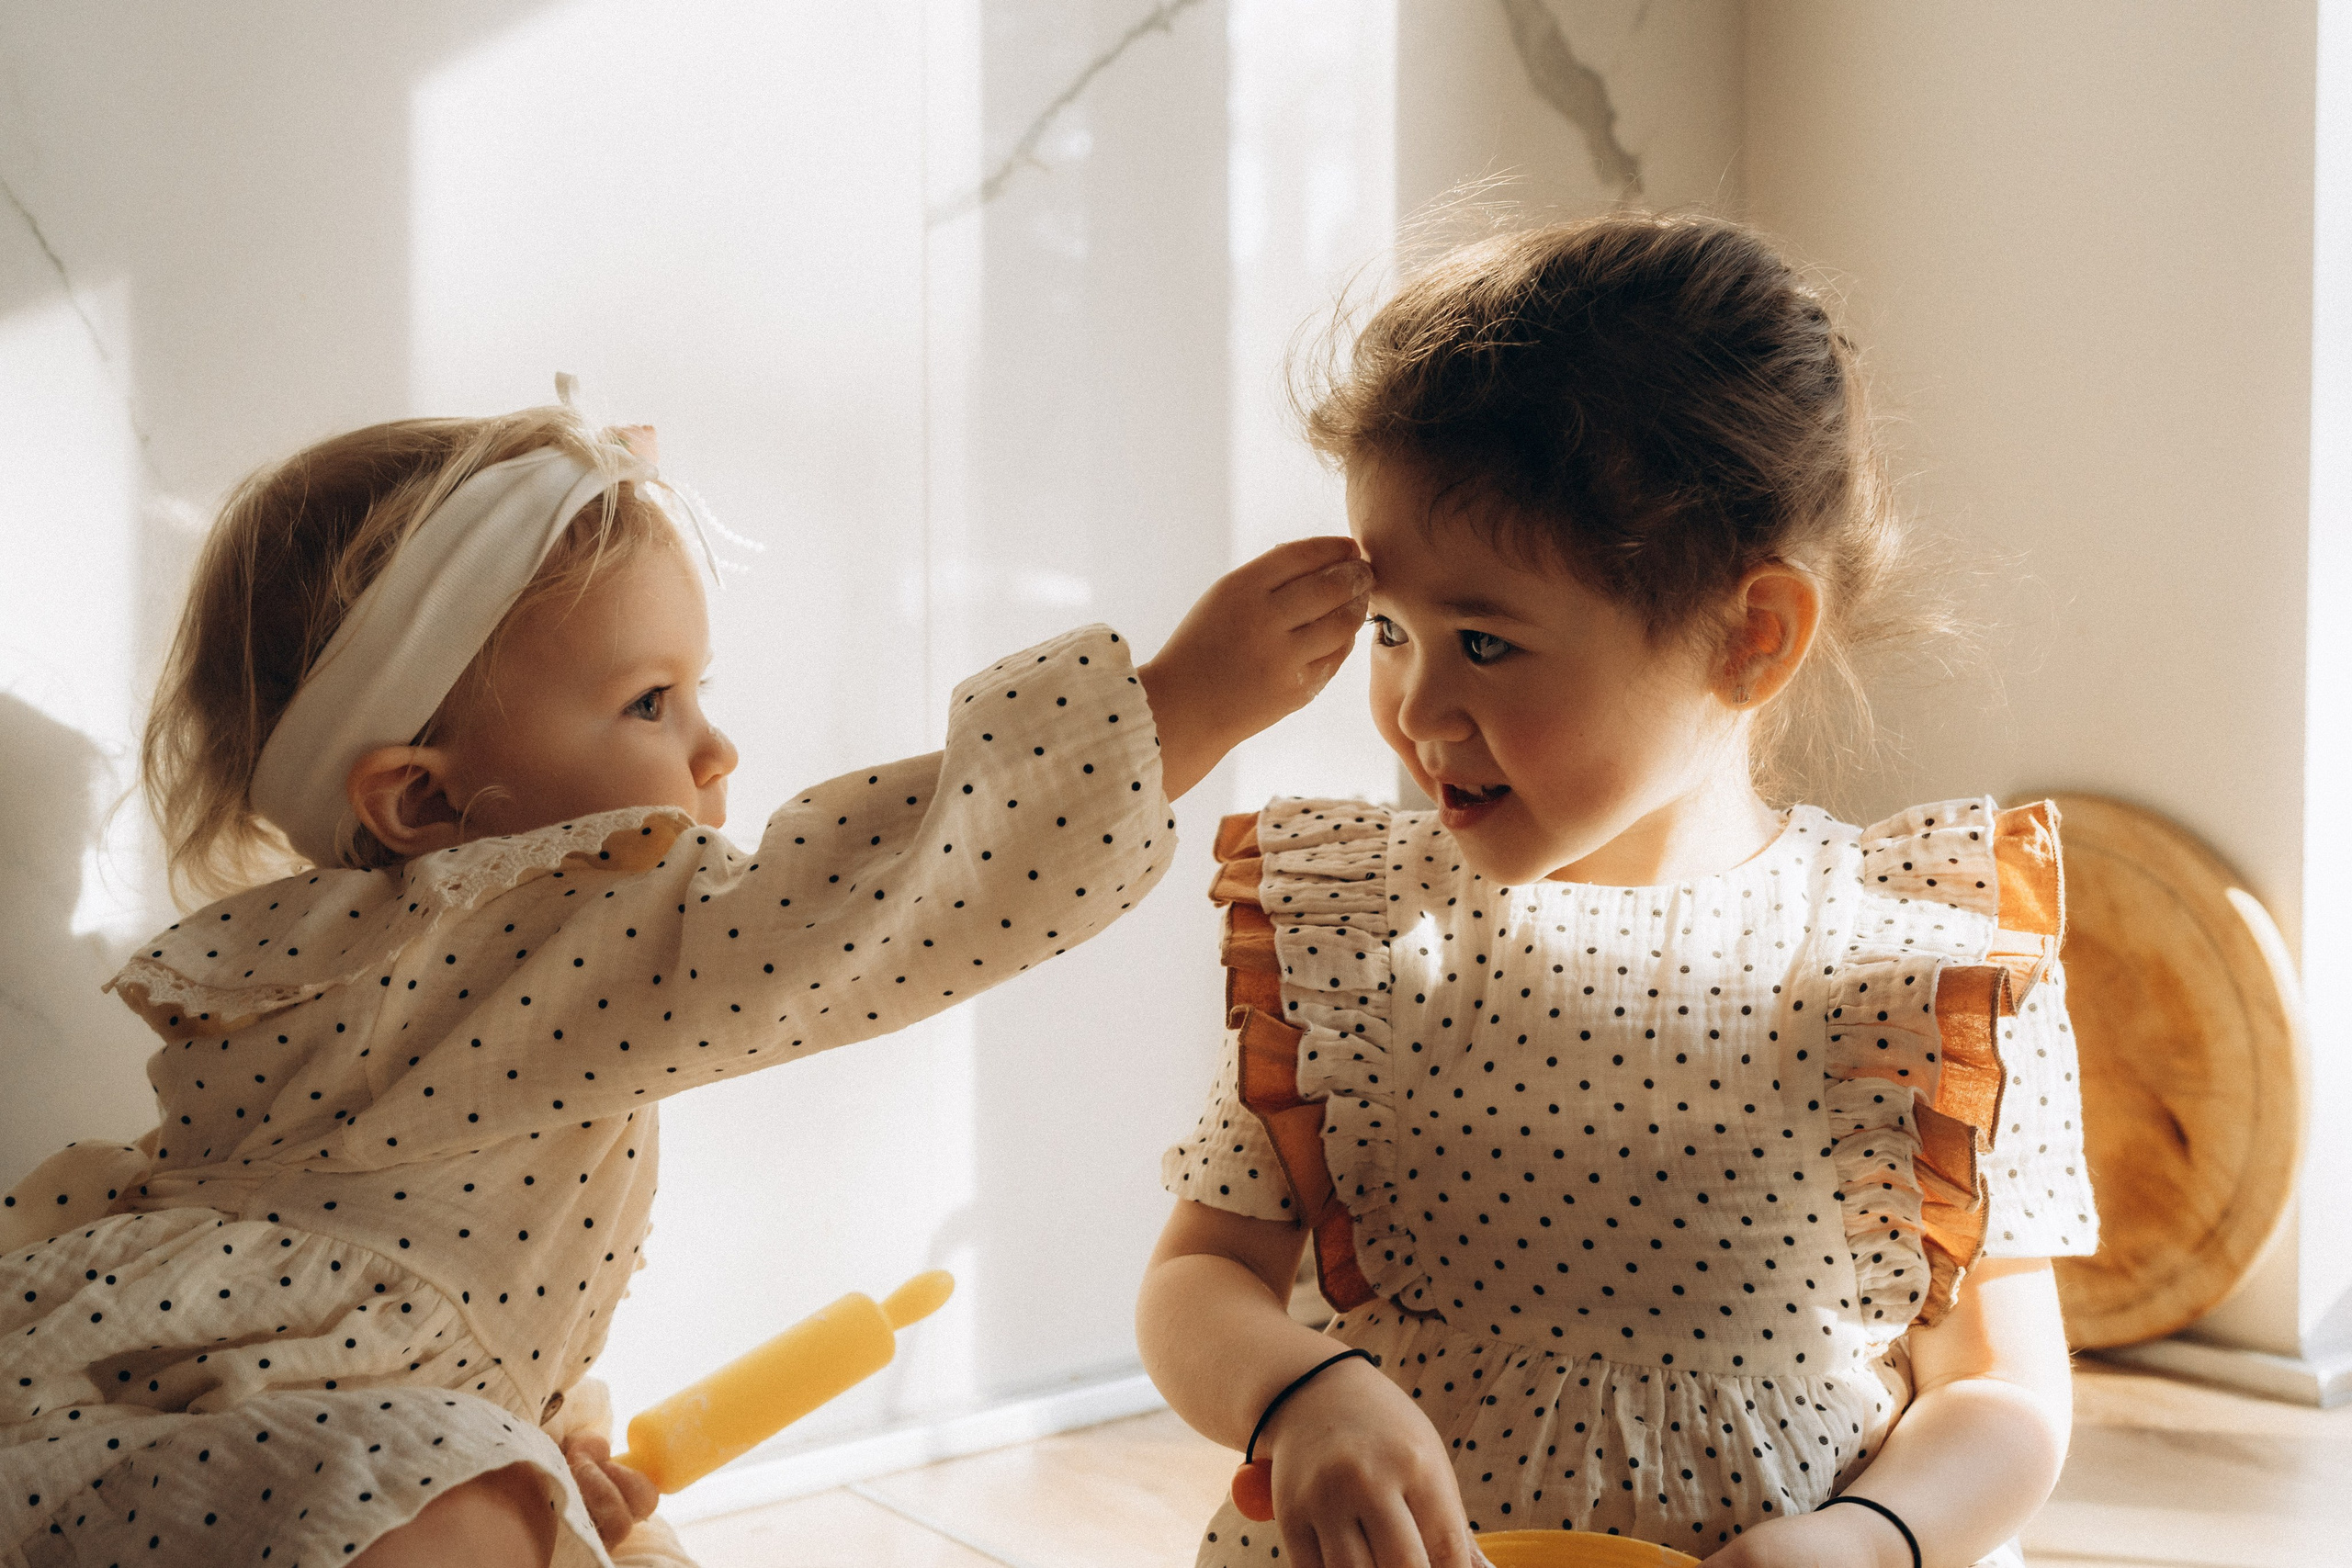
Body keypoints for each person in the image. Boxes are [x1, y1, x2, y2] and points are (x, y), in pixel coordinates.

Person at [0, 393, 1373, 1568]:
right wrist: (1177, 708)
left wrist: (549, 1427)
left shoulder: (344, 961)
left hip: (179, 1434)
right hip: (236, 1450)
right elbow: (848, 909)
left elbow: (411, 1293)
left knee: (539, 1504)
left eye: (693, 691)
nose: (714, 752)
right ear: (428, 804)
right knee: (465, 1503)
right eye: (650, 704)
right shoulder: (529, 927)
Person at [1140, 214, 2096, 1568]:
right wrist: (1299, 1392)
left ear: (1749, 639)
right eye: (1390, 631)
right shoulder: (1347, 935)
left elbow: (2004, 1394)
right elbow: (1201, 1279)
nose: (1416, 709)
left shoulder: (1923, 960)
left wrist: (1873, 1540)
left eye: (1486, 641)